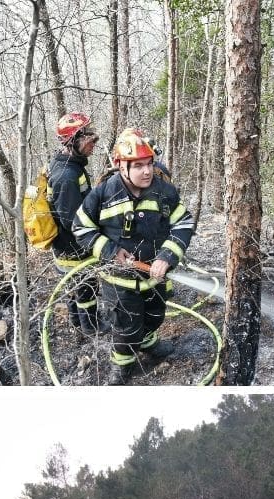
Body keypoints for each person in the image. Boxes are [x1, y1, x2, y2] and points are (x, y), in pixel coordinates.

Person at [72, 128, 195, 385]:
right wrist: (110, 251)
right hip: (119, 283)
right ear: (121, 167)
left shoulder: (164, 191)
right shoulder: (104, 194)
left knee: (154, 316)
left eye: (149, 164)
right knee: (125, 328)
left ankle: (147, 343)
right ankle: (123, 364)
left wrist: (166, 256)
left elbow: (183, 223)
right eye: (138, 166)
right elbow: (80, 227)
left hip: (154, 277)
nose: (147, 171)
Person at [49, 112, 103, 334]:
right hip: (73, 248)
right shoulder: (66, 176)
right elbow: (72, 220)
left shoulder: (70, 165)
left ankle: (77, 321)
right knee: (86, 287)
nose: (93, 142)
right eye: (88, 137)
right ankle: (91, 326)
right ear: (73, 141)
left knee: (73, 287)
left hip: (67, 245)